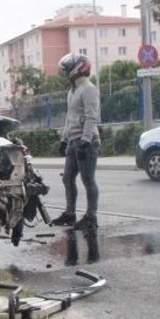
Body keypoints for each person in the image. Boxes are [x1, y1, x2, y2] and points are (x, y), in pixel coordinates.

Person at [50, 53, 101, 231]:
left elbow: (91, 117)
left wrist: (86, 142)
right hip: (73, 141)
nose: (65, 73)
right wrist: (64, 140)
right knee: (67, 179)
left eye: (67, 70)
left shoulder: (89, 89)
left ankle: (91, 217)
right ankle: (70, 214)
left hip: (87, 141)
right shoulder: (72, 91)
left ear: (77, 69)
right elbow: (70, 119)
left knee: (88, 180)